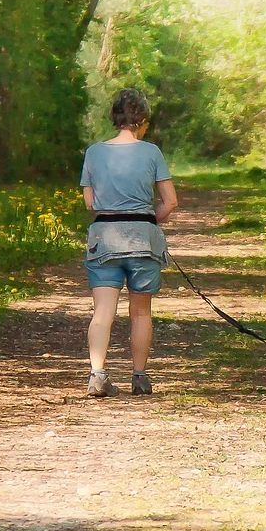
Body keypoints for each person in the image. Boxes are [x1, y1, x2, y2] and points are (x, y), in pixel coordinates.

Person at [80, 87, 178, 397]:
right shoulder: (152, 152)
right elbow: (170, 202)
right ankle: (139, 376)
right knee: (141, 312)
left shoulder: (94, 152)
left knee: (103, 312)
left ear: (115, 117)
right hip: (143, 239)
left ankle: (97, 374)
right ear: (143, 119)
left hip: (104, 238)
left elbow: (90, 203)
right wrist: (149, 219)